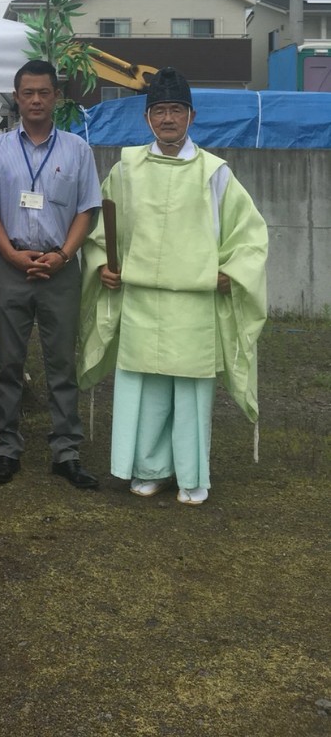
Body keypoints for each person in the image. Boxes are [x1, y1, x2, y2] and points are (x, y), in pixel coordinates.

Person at [79, 67, 268, 505]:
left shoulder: (215, 173)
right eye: (159, 110)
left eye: (176, 110)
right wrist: (103, 266)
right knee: (145, 389)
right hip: (140, 298)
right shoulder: (126, 170)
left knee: (191, 394)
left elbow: (249, 235)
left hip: (194, 302)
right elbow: (103, 233)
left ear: (191, 116)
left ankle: (192, 476)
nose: (168, 118)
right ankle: (148, 470)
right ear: (148, 118)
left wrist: (232, 271)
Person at [0, 60, 101, 490]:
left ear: (56, 97)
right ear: (16, 96)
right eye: (27, 92)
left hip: (60, 269)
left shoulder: (77, 150)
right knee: (8, 363)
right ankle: (6, 447)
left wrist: (65, 255)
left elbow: (88, 209)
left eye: (43, 92)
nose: (34, 100)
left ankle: (66, 451)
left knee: (62, 363)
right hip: (11, 267)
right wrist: (8, 253)